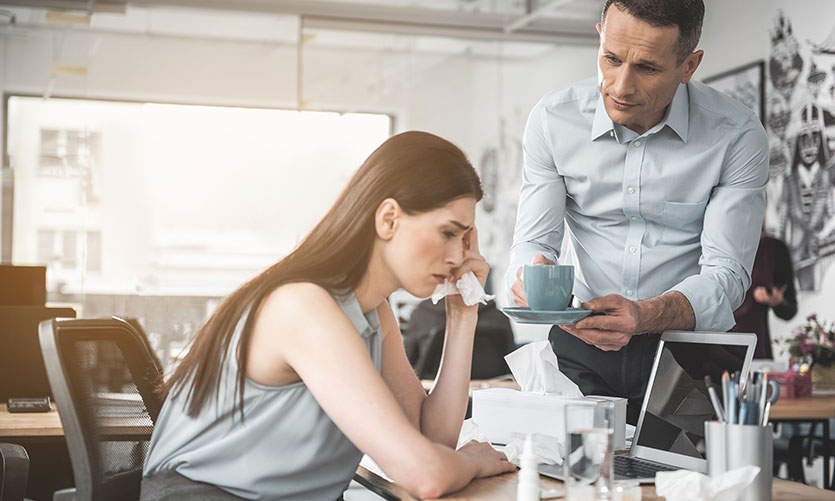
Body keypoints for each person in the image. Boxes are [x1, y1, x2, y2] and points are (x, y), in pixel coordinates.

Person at [141, 131, 514, 501]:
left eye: (464, 239)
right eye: (448, 233)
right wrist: (472, 462)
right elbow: (426, 474)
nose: (456, 256)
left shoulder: (374, 313)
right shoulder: (302, 306)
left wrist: (463, 315)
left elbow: (432, 440)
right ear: (388, 219)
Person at [507, 0, 769, 423]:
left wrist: (644, 315)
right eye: (611, 59)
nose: (620, 86)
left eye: (647, 68)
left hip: (689, 353)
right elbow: (533, 243)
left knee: (691, 487)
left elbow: (727, 274)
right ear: (600, 37)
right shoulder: (553, 120)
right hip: (580, 347)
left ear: (689, 65)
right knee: (570, 480)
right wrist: (527, 277)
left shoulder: (736, 135)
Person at [731, 232, 798, 359]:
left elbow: (790, 310)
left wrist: (777, 301)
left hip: (755, 348)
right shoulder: (710, 246)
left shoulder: (775, 248)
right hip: (713, 345)